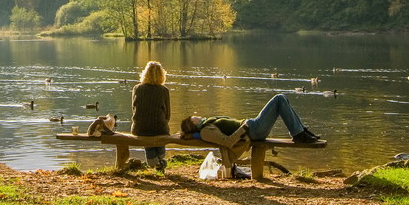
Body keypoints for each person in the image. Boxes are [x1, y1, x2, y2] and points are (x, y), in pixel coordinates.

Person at [180, 94, 321, 174]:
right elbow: (227, 141)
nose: (196, 116)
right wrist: (244, 128)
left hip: (252, 127)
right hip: (253, 131)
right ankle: (298, 133)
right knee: (279, 99)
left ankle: (301, 131)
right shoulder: (205, 131)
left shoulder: (206, 125)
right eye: (193, 117)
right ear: (193, 124)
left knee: (282, 100)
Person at [131, 61, 171, 172]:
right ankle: (159, 160)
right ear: (161, 75)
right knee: (160, 130)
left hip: (139, 128)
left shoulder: (137, 88)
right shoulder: (164, 91)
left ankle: (155, 162)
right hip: (160, 128)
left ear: (145, 74)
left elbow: (134, 109)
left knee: (148, 133)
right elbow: (167, 114)